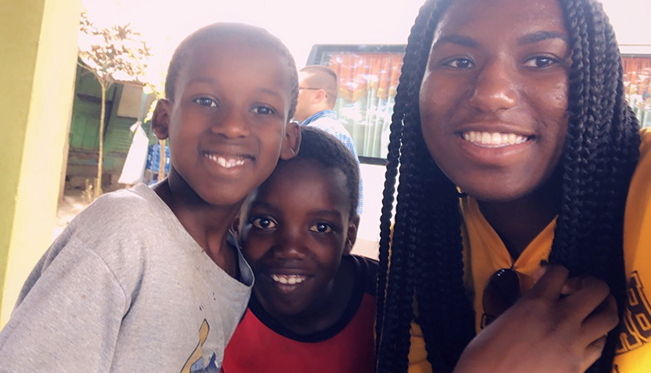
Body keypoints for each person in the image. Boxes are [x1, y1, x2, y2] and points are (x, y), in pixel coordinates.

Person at [375, 0, 651, 373]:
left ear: (597, 82)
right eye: (458, 61)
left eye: (542, 60)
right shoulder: (414, 248)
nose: (491, 94)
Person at [0, 22, 301, 372]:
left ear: (289, 139)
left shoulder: (236, 263)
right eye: (206, 100)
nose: (232, 126)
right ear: (163, 120)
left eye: (262, 109)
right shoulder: (124, 233)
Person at [221, 126, 375, 373]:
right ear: (237, 225)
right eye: (265, 223)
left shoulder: (389, 305)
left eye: (321, 227)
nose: (290, 249)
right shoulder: (216, 303)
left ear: (349, 235)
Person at [294, 65, 363, 214]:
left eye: (296, 89)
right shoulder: (322, 129)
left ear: (319, 96)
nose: (289, 95)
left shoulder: (324, 133)